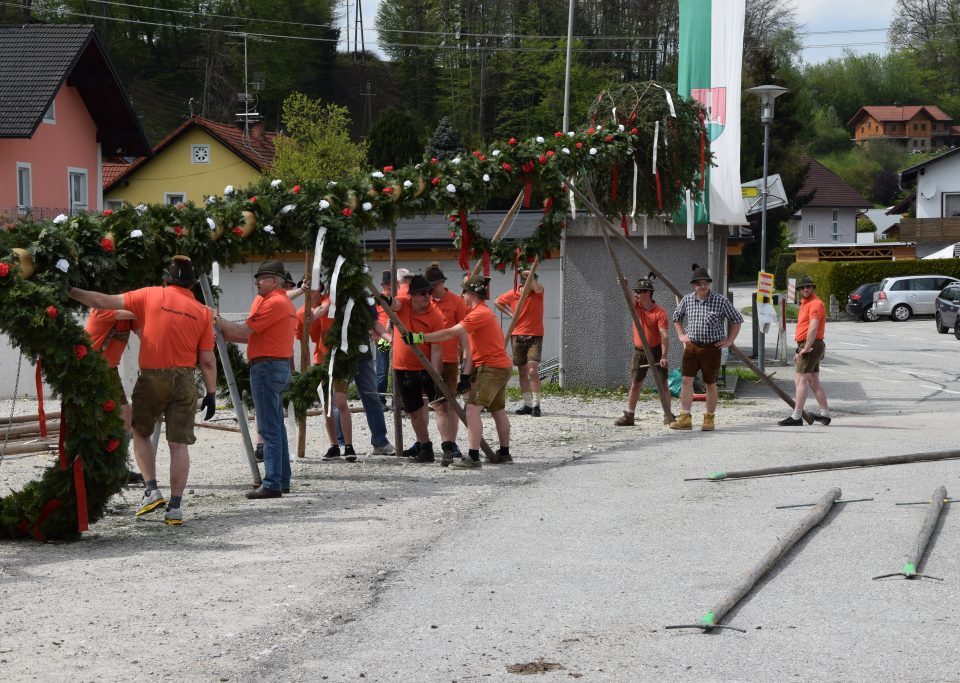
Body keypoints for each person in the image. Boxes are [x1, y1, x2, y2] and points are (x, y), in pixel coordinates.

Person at [68, 255, 217, 525]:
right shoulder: (203, 312)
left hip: (152, 377)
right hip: (185, 379)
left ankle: (151, 489)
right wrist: (212, 393)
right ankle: (175, 507)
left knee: (140, 431)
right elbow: (207, 359)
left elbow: (102, 301)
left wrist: (68, 290)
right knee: (179, 445)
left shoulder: (149, 295)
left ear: (166, 280)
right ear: (192, 285)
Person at [407, 275, 512, 469]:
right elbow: (473, 348)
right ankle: (504, 453)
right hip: (498, 366)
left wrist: (419, 337)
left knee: (472, 409)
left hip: (492, 367)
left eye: (463, 291)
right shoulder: (481, 312)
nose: (461, 295)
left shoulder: (478, 314)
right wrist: (466, 374)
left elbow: (449, 333)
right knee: (498, 410)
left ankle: (473, 457)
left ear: (470, 293)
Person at [217, 260, 297, 498]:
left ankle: (273, 482)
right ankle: (281, 479)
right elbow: (253, 337)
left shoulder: (273, 303)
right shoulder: (284, 303)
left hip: (267, 368)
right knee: (276, 427)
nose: (256, 282)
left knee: (269, 428)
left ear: (274, 280)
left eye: (261, 278)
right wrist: (227, 333)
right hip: (277, 365)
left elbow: (244, 331)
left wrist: (216, 319)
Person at [670, 264, 742, 432]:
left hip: (711, 349)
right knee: (686, 381)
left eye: (705, 283)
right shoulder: (687, 300)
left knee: (710, 383)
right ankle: (685, 417)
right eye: (698, 283)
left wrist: (729, 340)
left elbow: (737, 320)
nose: (702, 286)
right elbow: (676, 318)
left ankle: (709, 419)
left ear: (709, 283)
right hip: (692, 347)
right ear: (693, 285)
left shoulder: (720, 300)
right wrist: (681, 335)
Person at [391, 274, 445, 463]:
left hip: (426, 367)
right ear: (412, 295)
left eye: (429, 293)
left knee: (440, 406)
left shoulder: (435, 315)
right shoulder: (403, 304)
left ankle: (448, 447)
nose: (427, 297)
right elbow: (392, 305)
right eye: (422, 293)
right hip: (403, 367)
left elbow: (437, 349)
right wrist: (385, 299)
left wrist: (436, 376)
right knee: (414, 411)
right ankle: (425, 447)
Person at [85, 308, 142, 482]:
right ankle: (89, 470)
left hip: (109, 370)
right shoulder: (102, 309)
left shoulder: (129, 317)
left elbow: (145, 334)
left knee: (125, 415)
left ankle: (118, 467)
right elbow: (142, 311)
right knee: (92, 421)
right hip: (89, 370)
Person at [425, 262, 469, 464]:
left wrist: (467, 355)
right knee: (437, 404)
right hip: (429, 360)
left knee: (450, 403)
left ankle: (452, 443)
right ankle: (443, 444)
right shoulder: (426, 301)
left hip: (450, 359)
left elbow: (463, 331)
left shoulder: (456, 302)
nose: (430, 290)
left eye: (433, 286)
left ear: (442, 283)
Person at [614, 274, 673, 426]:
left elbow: (664, 335)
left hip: (656, 351)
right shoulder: (636, 307)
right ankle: (629, 415)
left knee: (663, 383)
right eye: (635, 291)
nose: (636, 294)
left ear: (648, 293)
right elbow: (628, 297)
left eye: (639, 292)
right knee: (635, 383)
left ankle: (668, 414)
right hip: (639, 351)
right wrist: (624, 285)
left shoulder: (660, 313)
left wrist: (664, 355)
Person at [778, 275, 831, 426]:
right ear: (799, 290)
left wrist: (806, 348)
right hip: (810, 345)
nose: (805, 289)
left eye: (808, 287)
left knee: (800, 380)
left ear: (813, 287)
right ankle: (825, 414)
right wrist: (800, 349)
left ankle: (796, 416)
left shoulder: (815, 304)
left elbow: (813, 327)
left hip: (811, 345)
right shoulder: (805, 303)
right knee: (813, 381)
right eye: (802, 287)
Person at [495, 269, 545, 416]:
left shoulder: (538, 292)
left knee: (532, 371)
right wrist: (511, 314)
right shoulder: (514, 293)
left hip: (535, 336)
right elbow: (497, 301)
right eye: (528, 282)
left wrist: (531, 274)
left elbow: (537, 287)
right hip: (517, 335)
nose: (531, 285)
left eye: (532, 281)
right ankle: (527, 404)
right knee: (522, 372)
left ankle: (536, 405)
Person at [375, 270, 393, 409]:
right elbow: (371, 317)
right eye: (386, 284)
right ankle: (380, 400)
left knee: (397, 370)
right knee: (382, 370)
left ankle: (397, 400)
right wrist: (373, 334)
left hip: (397, 337)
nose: (389, 286)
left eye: (390, 283)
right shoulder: (378, 298)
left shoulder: (397, 298)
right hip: (382, 338)